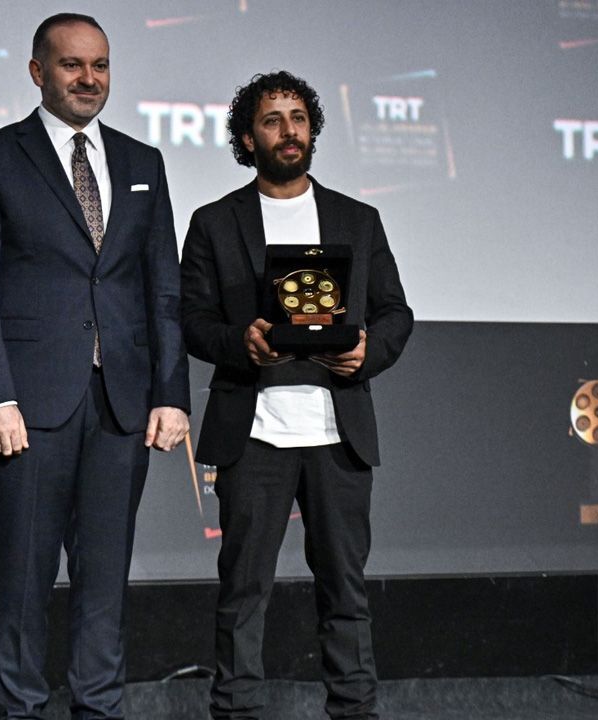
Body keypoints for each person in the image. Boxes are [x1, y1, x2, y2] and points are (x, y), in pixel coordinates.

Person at [0, 13, 190, 719]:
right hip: (28, 403)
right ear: (37, 72)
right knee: (24, 578)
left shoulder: (142, 162)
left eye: (101, 66)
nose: (89, 79)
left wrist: (171, 393)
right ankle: (21, 710)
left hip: (121, 399)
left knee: (105, 579)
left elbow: (162, 286)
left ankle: (99, 708)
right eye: (72, 65)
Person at [180, 70, 413, 720]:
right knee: (242, 593)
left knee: (346, 591)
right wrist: (240, 342)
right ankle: (236, 713)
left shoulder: (357, 219)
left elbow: (396, 313)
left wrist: (369, 348)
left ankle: (354, 710)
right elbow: (190, 321)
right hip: (254, 432)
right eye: (272, 120)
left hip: (339, 434)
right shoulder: (214, 222)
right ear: (247, 138)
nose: (288, 130)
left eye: (298, 118)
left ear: (312, 130)